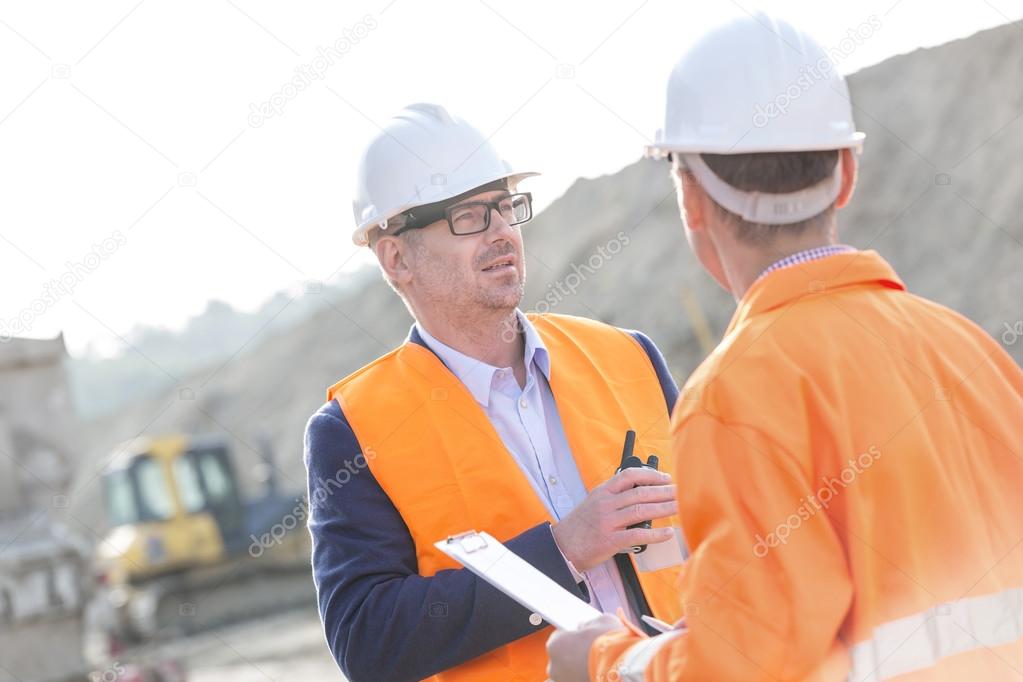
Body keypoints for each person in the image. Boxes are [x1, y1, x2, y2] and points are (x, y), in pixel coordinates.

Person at [547, 13, 1023, 681]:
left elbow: (744, 668)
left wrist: (603, 663)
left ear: (689, 197)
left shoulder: (733, 398)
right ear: (847, 173)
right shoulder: (969, 349)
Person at [304, 103, 687, 681]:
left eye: (506, 208)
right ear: (396, 257)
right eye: (469, 216)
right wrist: (563, 549)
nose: (503, 232)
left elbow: (731, 527)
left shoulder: (628, 356)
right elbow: (367, 638)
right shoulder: (353, 429)